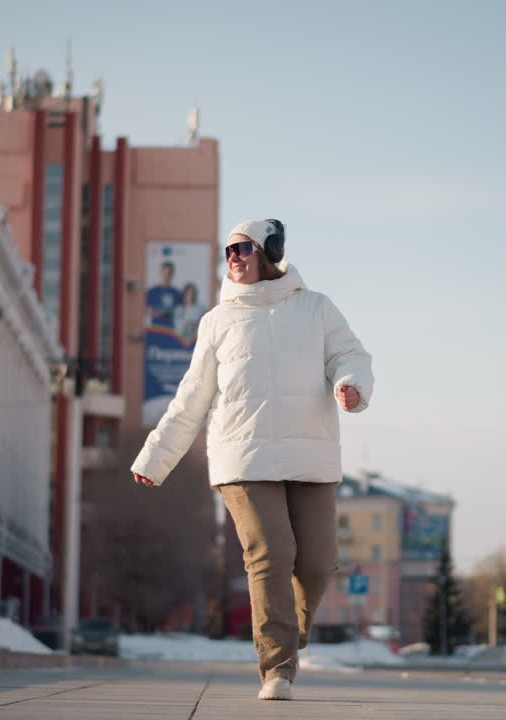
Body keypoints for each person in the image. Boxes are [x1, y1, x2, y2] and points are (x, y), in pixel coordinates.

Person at [131, 218, 373, 702]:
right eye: (228, 252)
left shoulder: (316, 308)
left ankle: (289, 634)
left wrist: (350, 384)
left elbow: (351, 355)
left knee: (319, 564)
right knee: (271, 553)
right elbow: (191, 398)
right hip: (242, 458)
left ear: (269, 252)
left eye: (242, 248)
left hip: (310, 454)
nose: (234, 258)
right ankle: (277, 667)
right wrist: (155, 457)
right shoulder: (217, 321)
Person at [146, 261, 182, 328]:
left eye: (169, 273)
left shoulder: (176, 293)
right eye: (165, 273)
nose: (166, 276)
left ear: (172, 274)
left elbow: (179, 312)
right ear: (161, 273)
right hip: (155, 328)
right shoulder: (152, 291)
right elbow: (148, 311)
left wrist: (164, 313)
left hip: (170, 330)